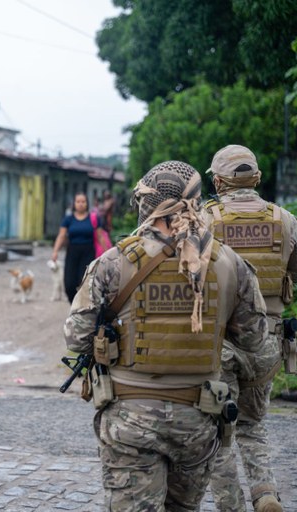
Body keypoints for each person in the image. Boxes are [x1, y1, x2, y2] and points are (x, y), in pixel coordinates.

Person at [64, 160, 268, 511]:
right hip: (199, 420)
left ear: (145, 202)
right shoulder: (229, 264)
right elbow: (255, 343)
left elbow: (75, 337)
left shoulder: (113, 263)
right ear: (197, 201)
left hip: (130, 421)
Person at [205, 145, 297, 512]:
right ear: (258, 179)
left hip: (218, 343)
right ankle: (265, 494)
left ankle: (229, 506)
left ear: (218, 182)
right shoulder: (285, 220)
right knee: (253, 423)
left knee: (218, 430)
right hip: (268, 340)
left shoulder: (204, 221)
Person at [51, 193, 96, 302]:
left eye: (83, 202)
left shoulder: (93, 218)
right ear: (74, 204)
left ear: (87, 203)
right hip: (72, 252)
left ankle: (82, 308)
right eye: (78, 202)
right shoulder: (68, 219)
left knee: (83, 281)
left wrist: (106, 253)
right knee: (69, 284)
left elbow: (100, 236)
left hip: (88, 252)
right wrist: (55, 251)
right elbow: (61, 236)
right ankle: (74, 304)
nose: (80, 204)